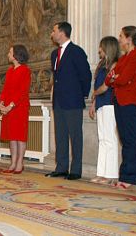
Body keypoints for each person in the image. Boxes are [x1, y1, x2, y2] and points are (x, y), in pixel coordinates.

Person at [46, 22, 91, 180]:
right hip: (58, 101)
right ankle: (61, 167)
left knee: (75, 135)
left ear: (62, 33)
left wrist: (83, 94)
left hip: (73, 101)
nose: (52, 34)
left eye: (54, 30)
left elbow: (86, 75)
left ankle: (76, 170)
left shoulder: (76, 51)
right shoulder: (54, 54)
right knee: (60, 135)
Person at [106, 26, 136, 189]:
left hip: (130, 101)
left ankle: (131, 177)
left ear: (129, 38)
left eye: (121, 36)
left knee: (131, 139)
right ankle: (124, 176)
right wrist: (116, 77)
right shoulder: (123, 58)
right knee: (124, 139)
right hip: (120, 101)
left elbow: (123, 79)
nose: (119, 39)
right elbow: (110, 79)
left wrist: (116, 77)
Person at [88, 36, 120, 185]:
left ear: (107, 47)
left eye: (101, 46)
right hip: (100, 104)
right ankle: (101, 173)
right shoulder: (101, 66)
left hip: (109, 104)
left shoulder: (114, 65)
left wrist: (95, 94)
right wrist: (93, 103)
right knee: (102, 139)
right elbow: (97, 86)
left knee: (110, 140)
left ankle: (111, 173)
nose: (99, 49)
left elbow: (105, 87)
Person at [0, 44, 31, 174]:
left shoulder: (25, 70)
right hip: (8, 108)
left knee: (20, 136)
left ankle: (19, 163)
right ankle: (12, 162)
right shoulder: (9, 71)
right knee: (12, 136)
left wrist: (10, 106)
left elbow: (22, 91)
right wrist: (2, 103)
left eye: (10, 52)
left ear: (17, 55)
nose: (8, 54)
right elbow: (5, 89)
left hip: (19, 108)